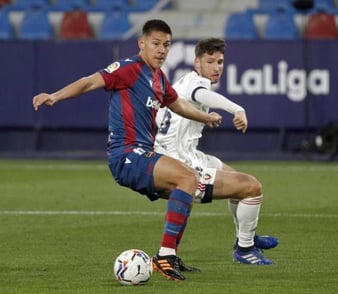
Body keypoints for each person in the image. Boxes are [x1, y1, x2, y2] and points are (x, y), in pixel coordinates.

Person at [32, 19, 222, 282]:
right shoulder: (128, 68)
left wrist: (206, 117)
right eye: (156, 44)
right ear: (141, 43)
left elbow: (177, 104)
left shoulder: (158, 78)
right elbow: (88, 82)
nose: (161, 50)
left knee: (188, 184)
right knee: (188, 177)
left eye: (166, 45)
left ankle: (170, 256)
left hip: (143, 153)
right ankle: (165, 257)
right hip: (126, 155)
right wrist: (54, 96)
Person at [155, 38, 278, 266]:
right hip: (180, 166)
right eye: (210, 61)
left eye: (220, 62)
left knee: (235, 178)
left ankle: (246, 235)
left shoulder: (185, 83)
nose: (216, 67)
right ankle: (245, 248)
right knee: (252, 187)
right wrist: (237, 108)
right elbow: (201, 95)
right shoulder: (195, 84)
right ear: (196, 62)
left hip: (188, 155)